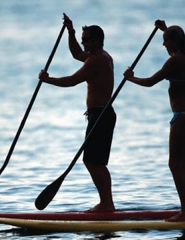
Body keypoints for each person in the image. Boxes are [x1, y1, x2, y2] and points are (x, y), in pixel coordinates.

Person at [38, 13, 116, 212]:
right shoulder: (99, 56)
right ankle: (107, 203)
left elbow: (71, 81)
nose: (83, 44)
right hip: (100, 115)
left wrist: (48, 80)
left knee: (93, 161)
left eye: (86, 40)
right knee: (95, 161)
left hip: (101, 115)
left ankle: (106, 204)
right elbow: (75, 53)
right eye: (82, 40)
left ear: (98, 39)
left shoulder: (97, 60)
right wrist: (71, 32)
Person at [123, 20, 185, 222]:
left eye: (166, 41)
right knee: (181, 165)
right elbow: (178, 41)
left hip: (182, 116)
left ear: (175, 41)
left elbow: (149, 82)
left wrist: (130, 78)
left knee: (175, 165)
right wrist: (165, 29)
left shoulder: (174, 62)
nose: (163, 45)